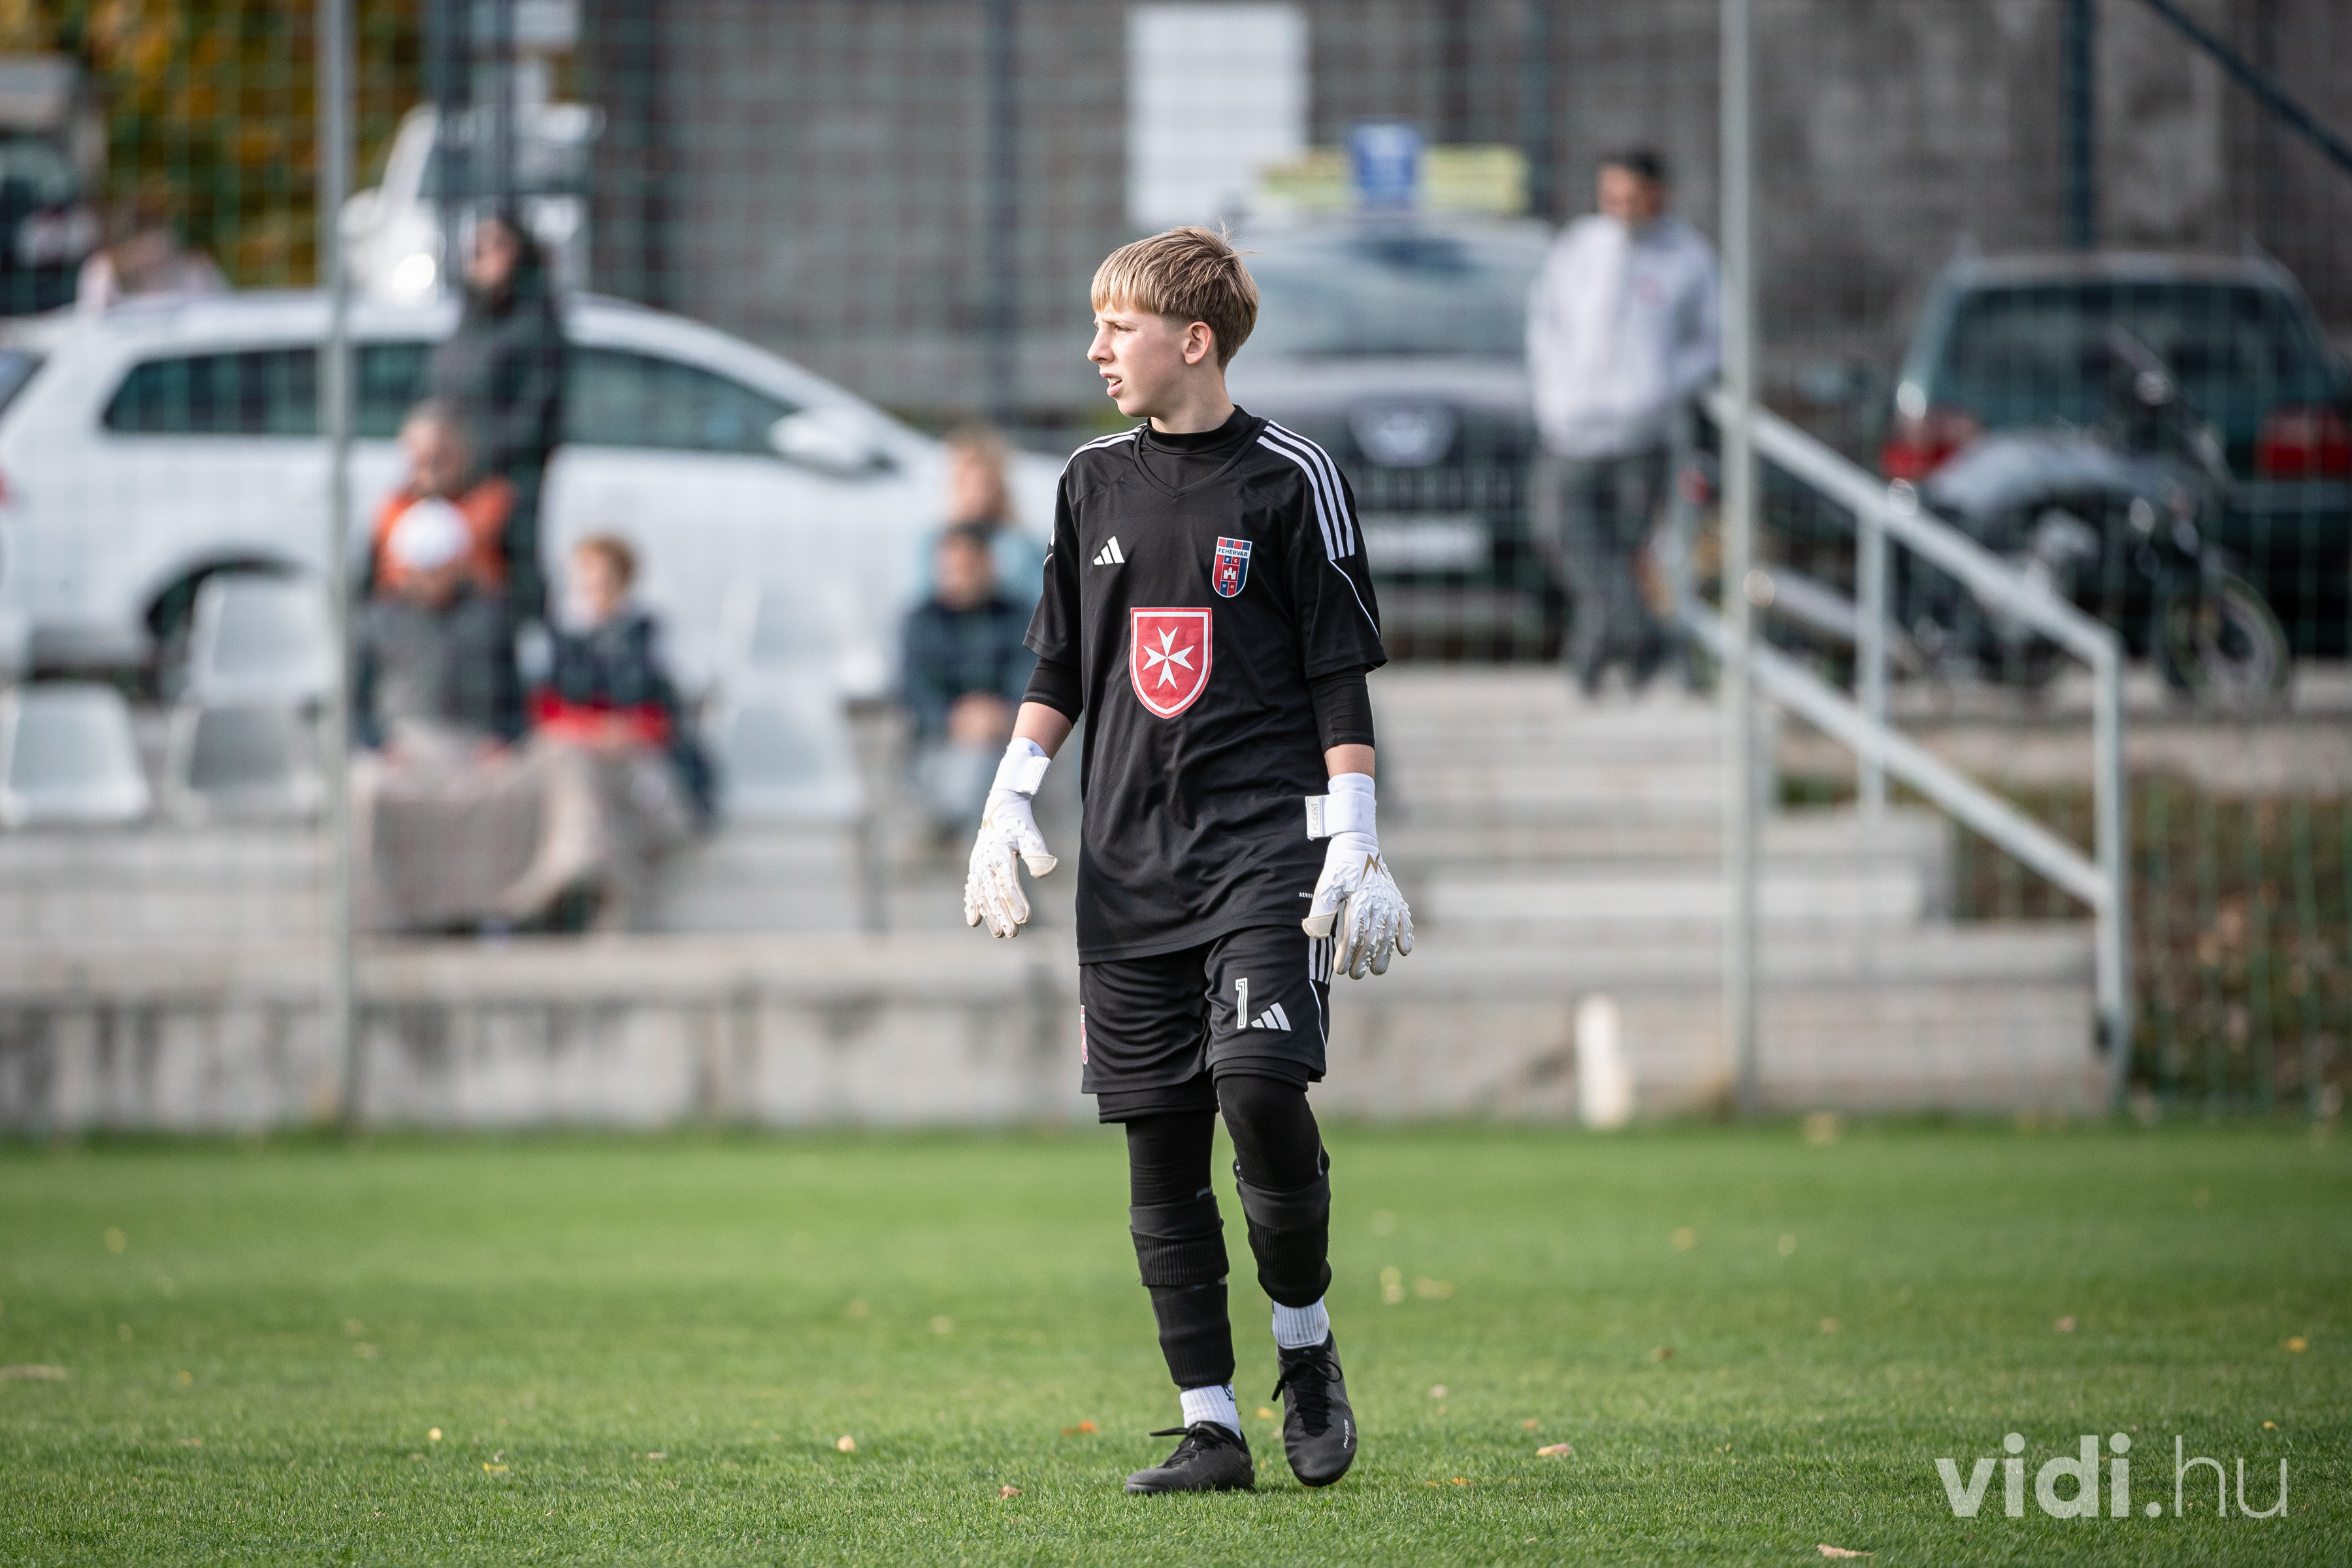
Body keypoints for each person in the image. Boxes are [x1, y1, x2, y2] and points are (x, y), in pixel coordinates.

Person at [962, 226, 1413, 1496]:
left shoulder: (1292, 478)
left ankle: (1305, 1349)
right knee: (1159, 1146)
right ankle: (1210, 1427)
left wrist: (1357, 835)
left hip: (1267, 855)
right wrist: (1008, 799)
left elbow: (1338, 672)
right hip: (1127, 868)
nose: (1096, 350)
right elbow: (1061, 663)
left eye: (1119, 327)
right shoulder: (1089, 482)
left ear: (1195, 341)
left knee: (1259, 1090)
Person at [1524, 148, 1720, 696]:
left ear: (1659, 196)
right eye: (1611, 196)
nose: (1620, 208)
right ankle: (1648, 641)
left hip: (1641, 436)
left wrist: (1661, 386)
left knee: (1627, 550)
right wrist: (1553, 395)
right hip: (1571, 430)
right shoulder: (1578, 248)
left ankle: (1594, 664)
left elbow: (1712, 342)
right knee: (1562, 536)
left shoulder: (1688, 258)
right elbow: (1546, 325)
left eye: (1632, 197)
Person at [524, 534, 711, 928]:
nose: (594, 590)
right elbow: (544, 710)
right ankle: (585, 876)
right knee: (579, 776)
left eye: (604, 580)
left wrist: (627, 731)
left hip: (637, 756)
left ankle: (599, 889)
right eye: (586, 579)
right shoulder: (561, 640)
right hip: (581, 755)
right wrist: (592, 730)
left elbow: (668, 711)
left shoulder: (647, 637)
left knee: (623, 800)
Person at [430, 211, 565, 621]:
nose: (483, 257)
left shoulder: (536, 327)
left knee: (507, 585)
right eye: (478, 248)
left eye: (497, 247)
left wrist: (472, 461)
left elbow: (534, 418)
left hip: (507, 483)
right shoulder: (467, 323)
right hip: (450, 479)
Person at [902, 524, 1037, 835]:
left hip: (1010, 743)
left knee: (987, 766)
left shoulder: (1018, 617)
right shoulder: (920, 622)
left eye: (965, 569)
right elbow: (914, 692)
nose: (955, 578)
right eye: (948, 569)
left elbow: (1033, 679)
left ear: (988, 565)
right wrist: (956, 719)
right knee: (979, 770)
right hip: (937, 747)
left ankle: (966, 845)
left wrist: (1002, 716)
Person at [368, 402, 515, 599]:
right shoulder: (392, 508)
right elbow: (373, 587)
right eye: (421, 459)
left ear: (465, 453)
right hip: (402, 612)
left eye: (441, 457)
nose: (431, 469)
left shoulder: (493, 502)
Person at [923, 426, 1047, 610]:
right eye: (971, 484)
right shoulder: (934, 542)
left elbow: (1037, 605)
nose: (979, 494)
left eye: (985, 484)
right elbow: (922, 603)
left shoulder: (1022, 546)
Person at [75, 186, 227, 313]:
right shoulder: (104, 271)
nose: (155, 249)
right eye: (146, 238)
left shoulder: (195, 269)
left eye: (161, 233)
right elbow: (92, 323)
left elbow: (222, 315)